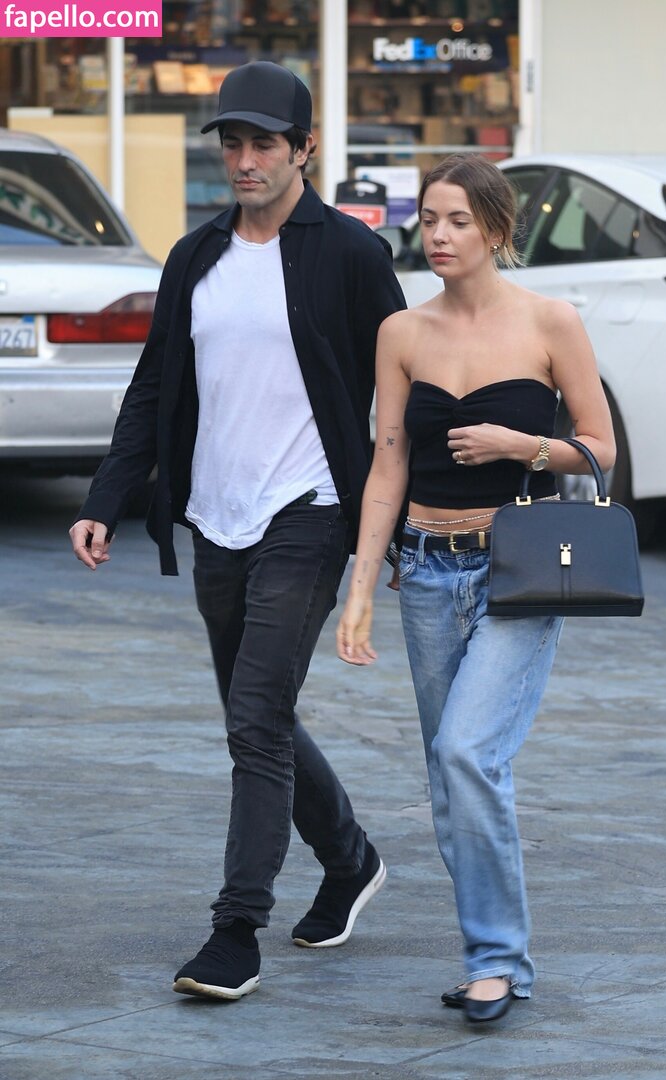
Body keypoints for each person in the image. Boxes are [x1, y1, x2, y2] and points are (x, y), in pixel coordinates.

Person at [69, 61, 406, 1002]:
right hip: (218, 516)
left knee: (255, 718)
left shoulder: (349, 254)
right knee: (257, 714)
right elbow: (154, 384)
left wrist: (402, 516)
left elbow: (402, 384)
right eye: (232, 143)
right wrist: (105, 496)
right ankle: (350, 858)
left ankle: (235, 930)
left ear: (306, 149)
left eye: (264, 143)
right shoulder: (195, 256)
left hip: (311, 510)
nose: (245, 160)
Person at [336, 154, 615, 1023]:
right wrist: (360, 588)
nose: (440, 234)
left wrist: (519, 446)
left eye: (458, 219)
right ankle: (492, 955)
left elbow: (600, 447)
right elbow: (387, 463)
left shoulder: (550, 321)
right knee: (448, 773)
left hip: (517, 570)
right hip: (425, 567)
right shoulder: (402, 332)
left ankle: (496, 961)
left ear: (495, 229)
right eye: (430, 218)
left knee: (467, 753)